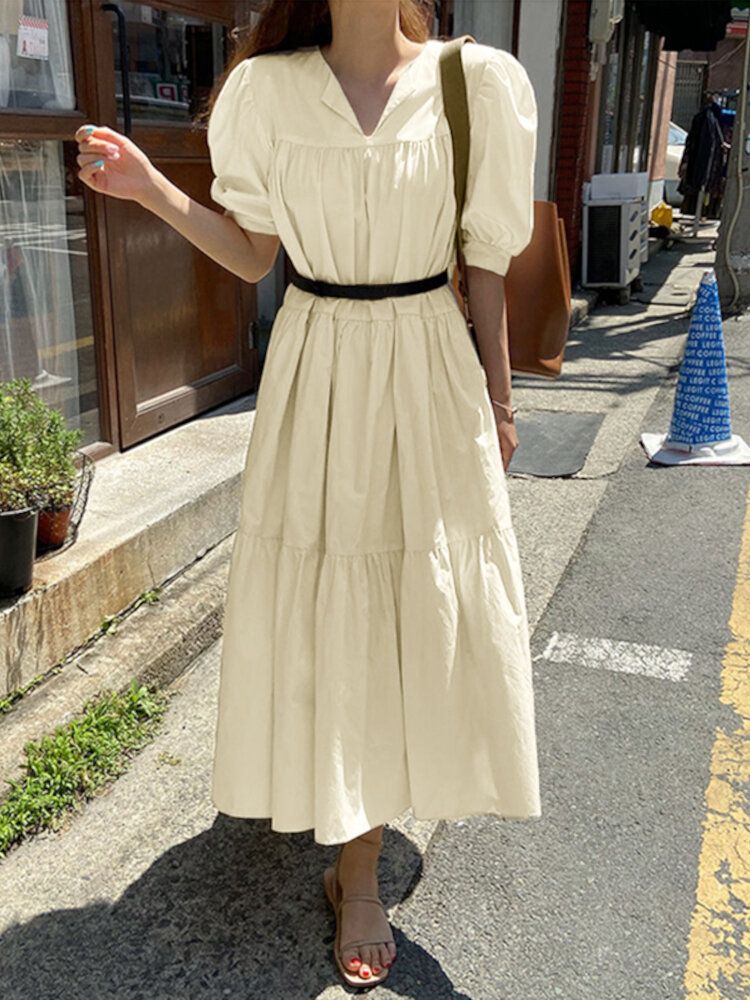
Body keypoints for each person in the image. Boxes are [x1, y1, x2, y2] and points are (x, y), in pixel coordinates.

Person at [74, 0, 541, 988]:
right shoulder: (266, 91)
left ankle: (368, 825)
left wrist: (501, 403)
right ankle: (357, 868)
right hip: (320, 373)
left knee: (427, 605)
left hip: (429, 373)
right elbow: (254, 254)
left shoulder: (476, 85)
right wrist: (149, 185)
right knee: (340, 614)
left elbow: (486, 269)